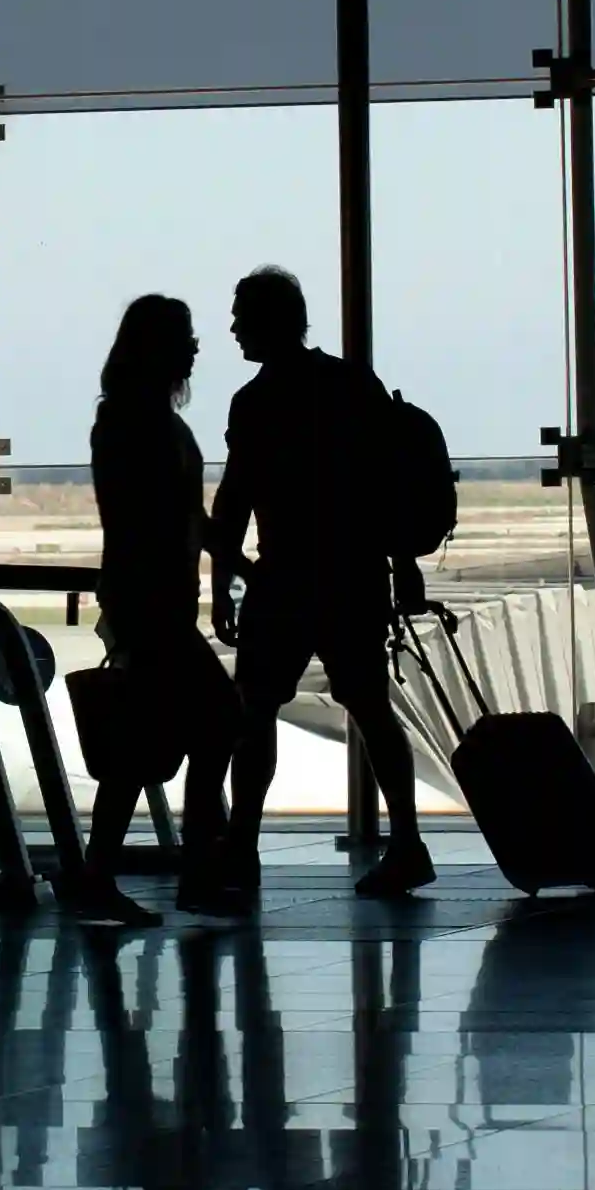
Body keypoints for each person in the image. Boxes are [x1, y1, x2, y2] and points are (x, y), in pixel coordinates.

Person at [201, 265, 428, 914]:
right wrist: (403, 563)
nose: (236, 328)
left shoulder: (255, 403)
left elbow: (234, 501)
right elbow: (386, 483)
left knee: (257, 713)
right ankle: (406, 840)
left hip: (285, 579)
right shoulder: (349, 385)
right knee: (371, 708)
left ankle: (242, 843)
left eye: (244, 315)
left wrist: (222, 585)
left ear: (270, 320)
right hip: (352, 576)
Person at [73, 294, 226, 918]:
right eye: (186, 337)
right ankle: (192, 869)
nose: (195, 347)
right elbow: (159, 518)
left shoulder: (136, 419)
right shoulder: (142, 424)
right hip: (153, 601)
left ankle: (107, 876)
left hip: (157, 600)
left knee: (141, 743)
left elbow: (180, 514)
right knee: (219, 718)